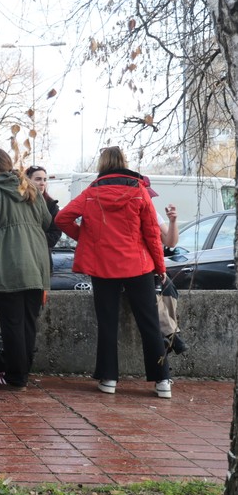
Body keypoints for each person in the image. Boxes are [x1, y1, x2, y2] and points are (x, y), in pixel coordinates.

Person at [55, 146, 172, 398]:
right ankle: (162, 381)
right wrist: (160, 266)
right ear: (124, 162)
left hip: (103, 266)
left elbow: (62, 218)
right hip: (138, 265)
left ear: (102, 164)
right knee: (149, 324)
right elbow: (152, 233)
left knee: (107, 323)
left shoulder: (91, 192)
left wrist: (86, 237)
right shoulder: (139, 191)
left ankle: (108, 379)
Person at [0, 148, 51, 392]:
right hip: (36, 263)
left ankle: (16, 377)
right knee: (28, 323)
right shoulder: (29, 187)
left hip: (8, 263)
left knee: (12, 323)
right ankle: (22, 373)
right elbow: (47, 221)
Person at [142, 176, 186, 354]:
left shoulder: (153, 213)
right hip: (139, 269)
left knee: (170, 291)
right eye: (147, 196)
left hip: (155, 268)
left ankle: (171, 336)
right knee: (153, 297)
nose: (149, 200)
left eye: (150, 197)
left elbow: (171, 242)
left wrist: (173, 221)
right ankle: (172, 335)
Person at [25, 165, 62, 271]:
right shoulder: (18, 203)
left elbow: (55, 235)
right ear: (27, 181)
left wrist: (32, 238)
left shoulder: (51, 205)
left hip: (42, 261)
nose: (42, 183)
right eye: (38, 179)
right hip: (21, 260)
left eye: (45, 180)